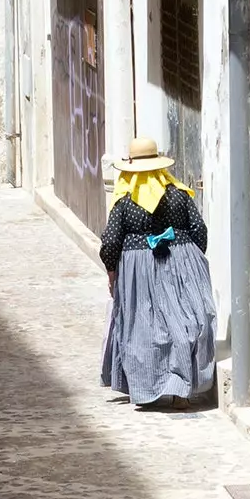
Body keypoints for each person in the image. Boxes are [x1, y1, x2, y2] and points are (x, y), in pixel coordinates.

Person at [99, 137, 216, 407]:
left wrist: (112, 270)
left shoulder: (125, 201)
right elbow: (199, 230)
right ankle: (180, 389)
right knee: (185, 321)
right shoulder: (179, 194)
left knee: (144, 326)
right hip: (183, 261)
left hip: (139, 268)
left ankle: (147, 388)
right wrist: (190, 259)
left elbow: (112, 241)